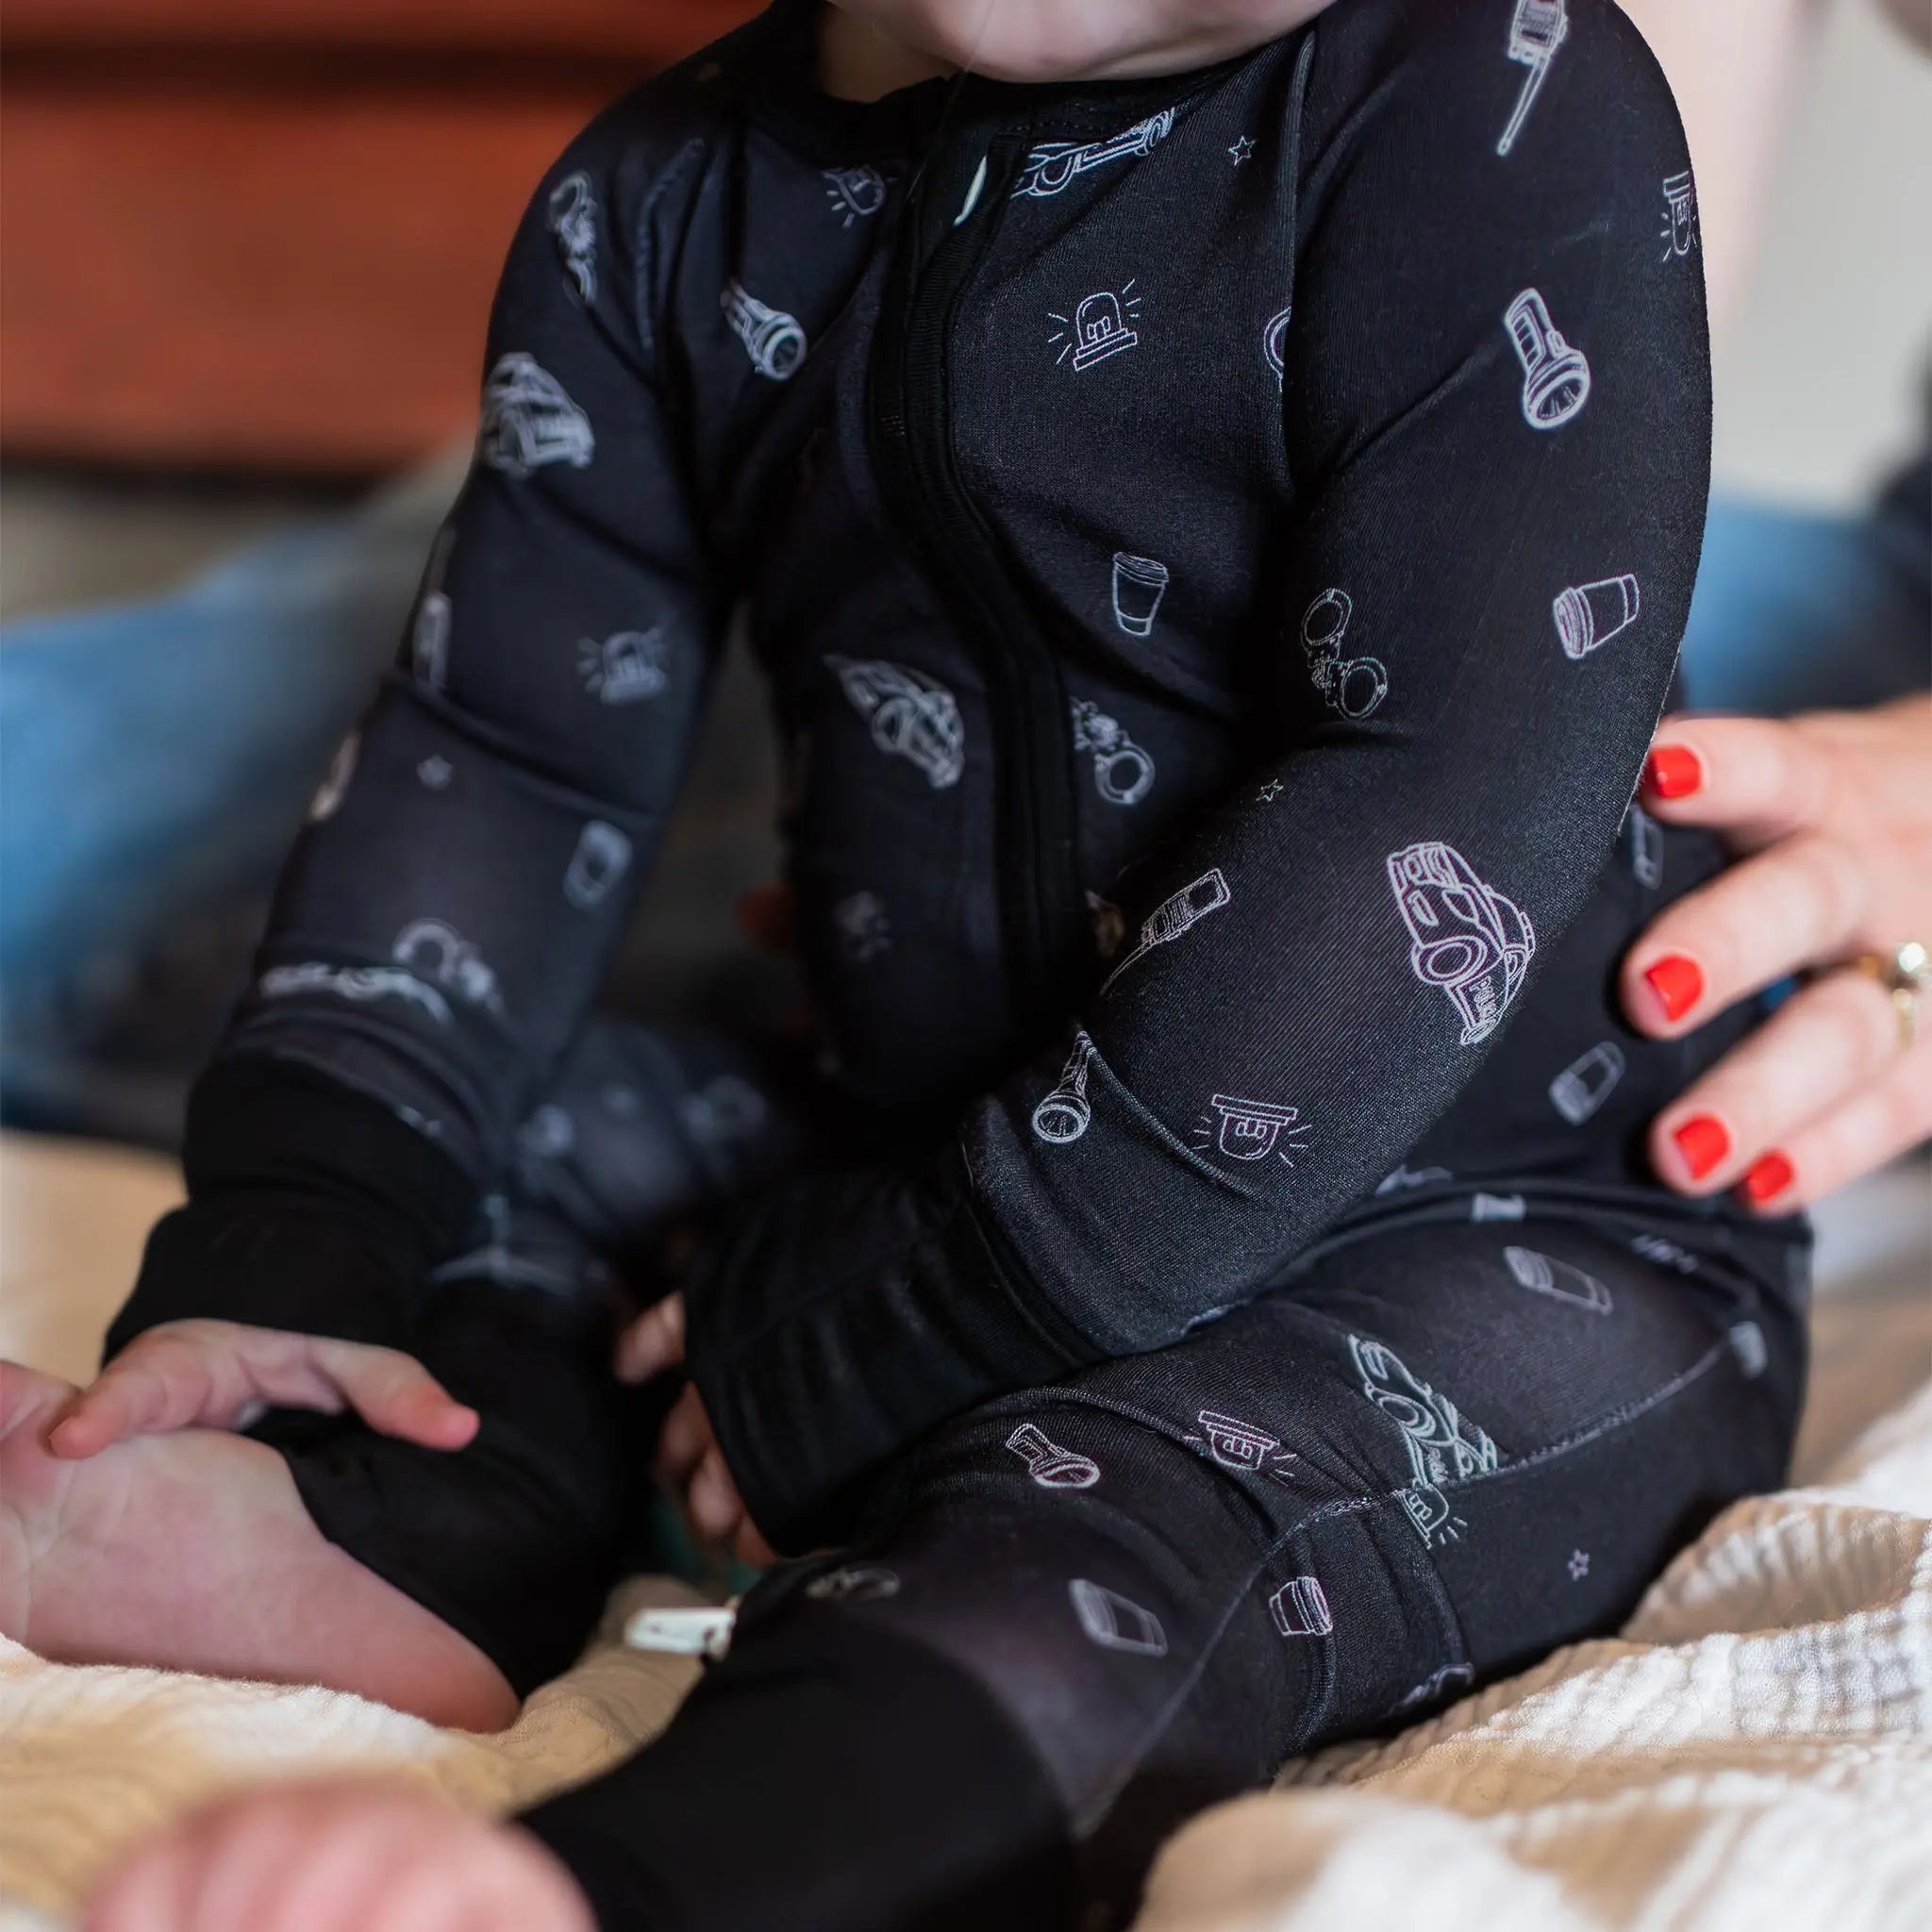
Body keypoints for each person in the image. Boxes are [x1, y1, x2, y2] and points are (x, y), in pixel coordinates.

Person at [0, 1, 1915, 1927]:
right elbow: (501, 748)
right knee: (546, 1129)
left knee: (1101, 1517)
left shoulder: (1485, 101)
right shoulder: (659, 198)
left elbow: (1446, 783)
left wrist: (919, 1321)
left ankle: (621, 1886)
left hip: (1500, 1216)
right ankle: (394, 1516)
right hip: (921, 1120)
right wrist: (291, 1247)